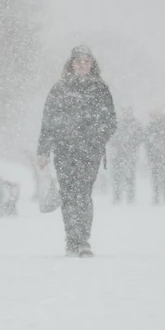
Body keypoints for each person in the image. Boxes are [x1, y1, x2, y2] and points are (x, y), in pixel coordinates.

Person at [37, 45, 117, 256]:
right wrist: (43, 150)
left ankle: (83, 240)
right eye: (78, 61)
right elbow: (48, 122)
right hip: (63, 151)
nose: (82, 65)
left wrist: (95, 140)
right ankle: (72, 239)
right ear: (71, 64)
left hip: (89, 153)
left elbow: (110, 122)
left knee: (83, 194)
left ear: (92, 64)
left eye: (86, 61)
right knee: (68, 195)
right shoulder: (59, 89)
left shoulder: (100, 89)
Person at [108, 106, 143, 204]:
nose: (126, 115)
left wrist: (131, 144)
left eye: (128, 113)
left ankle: (130, 197)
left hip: (130, 155)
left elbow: (140, 138)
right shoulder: (117, 124)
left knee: (130, 176)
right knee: (116, 177)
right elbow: (111, 138)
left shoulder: (136, 124)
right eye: (125, 113)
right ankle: (117, 197)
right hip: (118, 155)